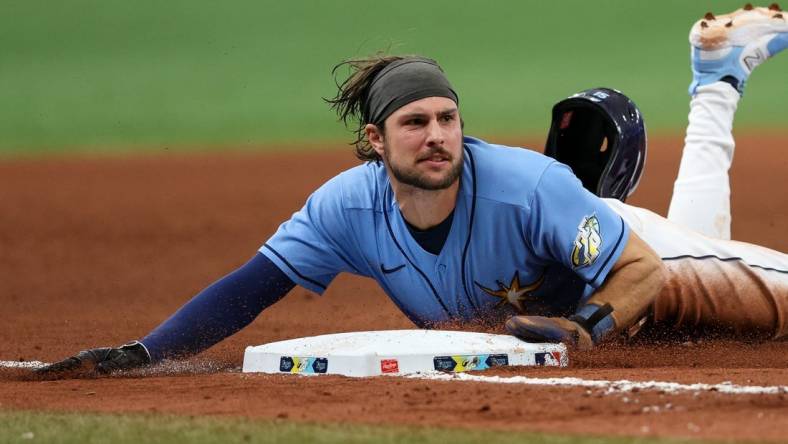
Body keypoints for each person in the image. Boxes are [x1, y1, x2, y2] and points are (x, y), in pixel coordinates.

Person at [36, 4, 788, 376]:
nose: (436, 134)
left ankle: (716, 84)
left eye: (448, 118)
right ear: (376, 141)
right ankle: (717, 81)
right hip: (598, 258)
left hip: (650, 269)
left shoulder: (522, 186)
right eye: (416, 122)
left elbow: (644, 270)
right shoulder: (346, 207)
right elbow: (250, 287)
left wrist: (582, 326)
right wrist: (146, 352)